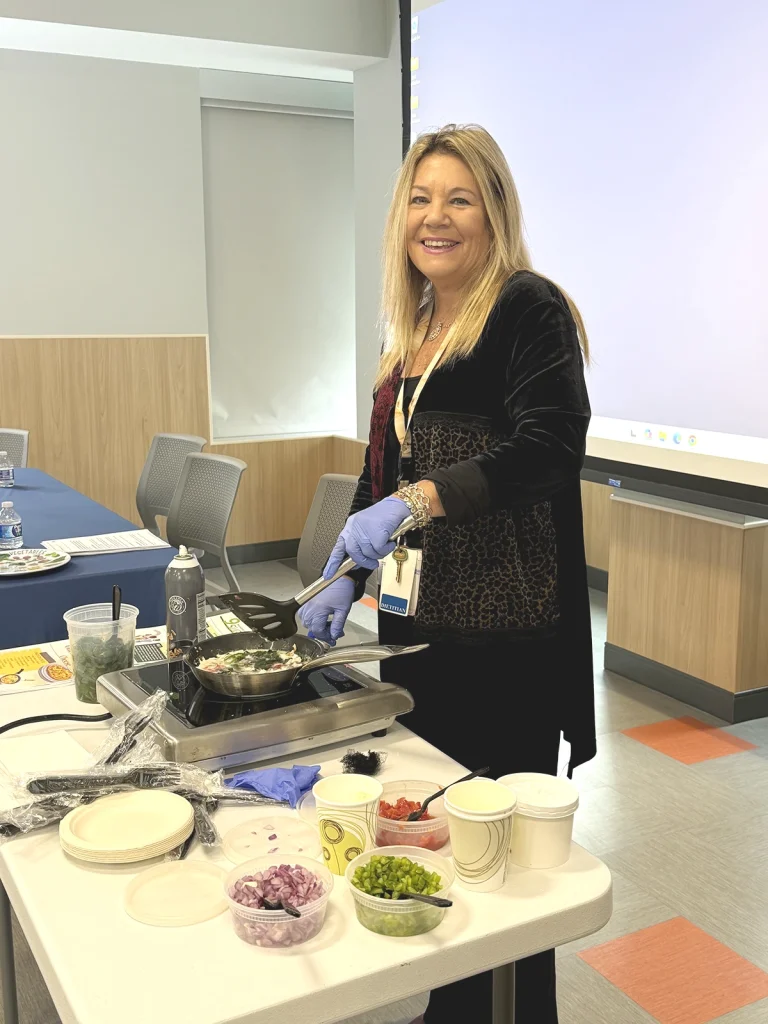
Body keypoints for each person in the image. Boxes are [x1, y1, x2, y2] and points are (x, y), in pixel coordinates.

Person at [299, 124, 595, 1024]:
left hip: (506, 642)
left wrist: (417, 503)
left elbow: (549, 447)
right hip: (423, 638)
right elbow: (377, 476)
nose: (437, 217)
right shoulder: (416, 328)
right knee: (437, 841)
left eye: (459, 198)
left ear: (493, 210)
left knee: (500, 867)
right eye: (422, 199)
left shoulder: (525, 309)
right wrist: (344, 570)